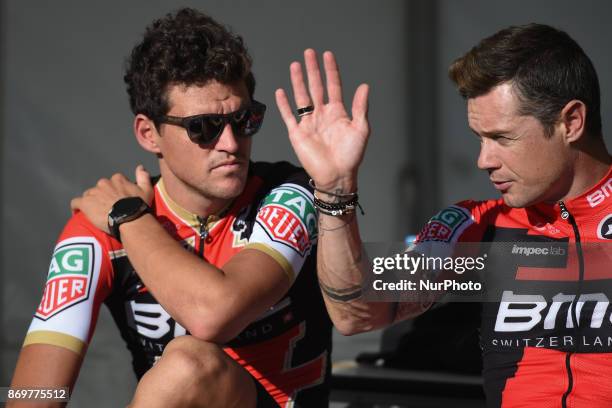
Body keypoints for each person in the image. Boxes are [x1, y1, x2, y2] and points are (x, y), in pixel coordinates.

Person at [9, 8, 332, 408]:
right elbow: (33, 397)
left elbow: (213, 314)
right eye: (204, 127)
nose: (231, 143)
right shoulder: (96, 230)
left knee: (187, 364)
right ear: (149, 134)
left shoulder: (289, 192)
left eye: (245, 119)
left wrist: (131, 219)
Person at [275, 24, 612, 406]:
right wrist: (335, 189)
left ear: (571, 122)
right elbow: (357, 314)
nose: (483, 160)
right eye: (479, 139)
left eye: (502, 138)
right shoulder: (479, 225)